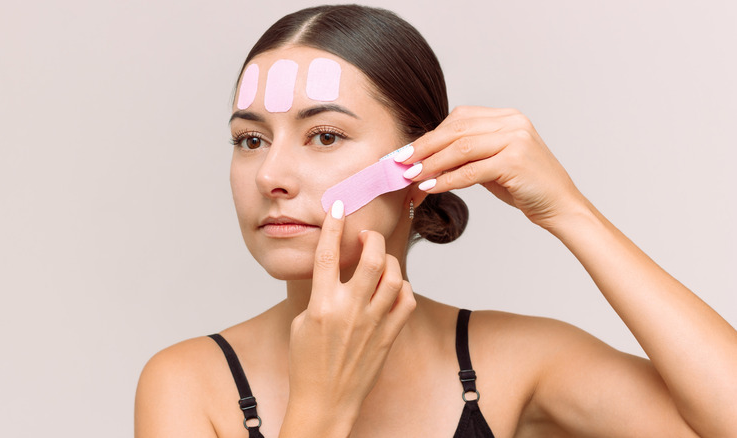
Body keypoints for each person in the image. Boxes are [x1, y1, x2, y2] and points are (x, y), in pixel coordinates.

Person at [134, 5, 737, 437]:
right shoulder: (187, 384)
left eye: (323, 135)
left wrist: (568, 211)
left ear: (417, 166)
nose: (271, 175)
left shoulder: (519, 361)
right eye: (249, 140)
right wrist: (322, 406)